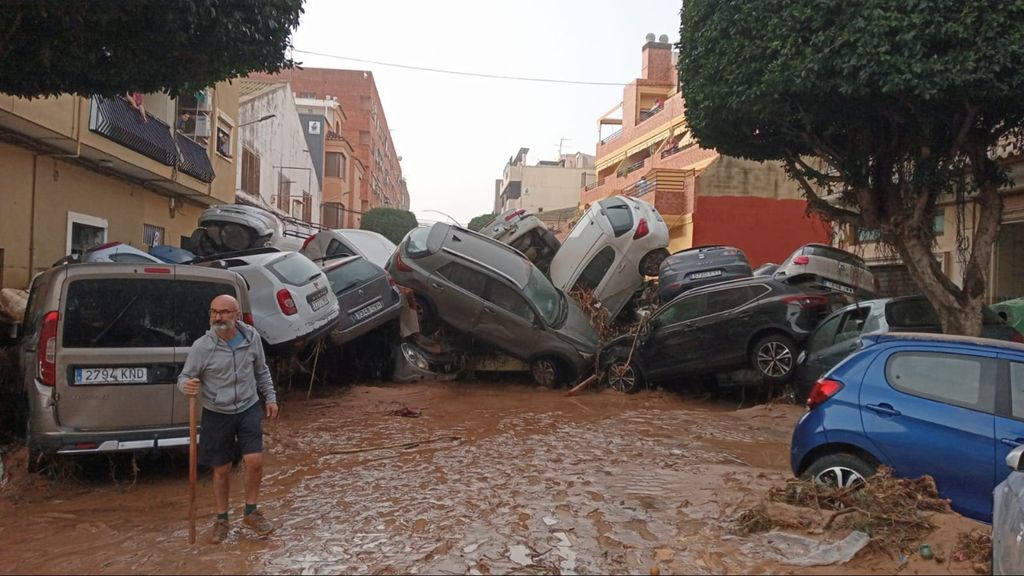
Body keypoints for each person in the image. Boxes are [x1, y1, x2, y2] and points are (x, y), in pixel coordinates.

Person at [177, 294, 279, 543]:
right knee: (221, 468)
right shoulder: (202, 346)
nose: (218, 317)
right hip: (217, 411)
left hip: (248, 406)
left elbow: (261, 370)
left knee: (254, 461)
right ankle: (222, 518)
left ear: (237, 316)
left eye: (224, 312)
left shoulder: (251, 338)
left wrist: (271, 397)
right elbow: (184, 377)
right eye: (214, 312)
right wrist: (187, 386)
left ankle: (251, 512)